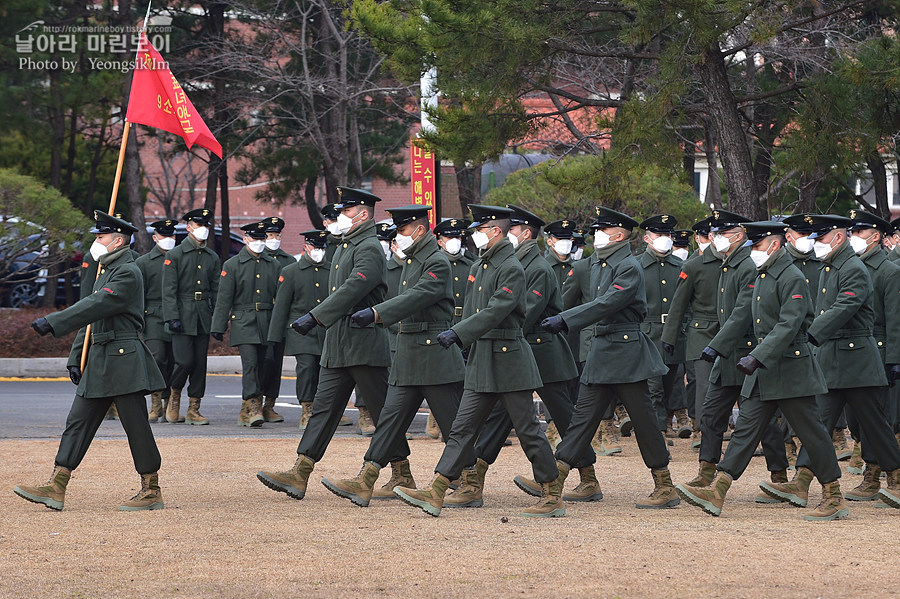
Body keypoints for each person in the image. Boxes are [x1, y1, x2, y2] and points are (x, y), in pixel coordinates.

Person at [393, 204, 563, 518]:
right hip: (484, 357)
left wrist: (458, 333)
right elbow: (472, 308)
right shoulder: (484, 264)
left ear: (495, 231)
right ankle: (438, 489)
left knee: (528, 430)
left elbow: (496, 310)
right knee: (462, 428)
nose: (475, 236)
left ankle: (551, 492)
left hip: (509, 359)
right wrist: (462, 337)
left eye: (479, 230)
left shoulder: (511, 267)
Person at [676, 221, 847, 520]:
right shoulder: (763, 274)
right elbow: (742, 313)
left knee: (813, 435)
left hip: (792, 371)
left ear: (774, 244)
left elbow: (790, 324)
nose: (752, 251)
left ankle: (834, 494)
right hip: (765, 370)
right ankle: (718, 490)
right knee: (744, 432)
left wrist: (757, 356)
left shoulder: (790, 276)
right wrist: (717, 346)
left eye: (756, 246)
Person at [17, 211, 165, 511]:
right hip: (99, 357)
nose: (95, 241)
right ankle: (57, 485)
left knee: (136, 426)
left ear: (119, 240)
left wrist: (54, 321)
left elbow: (96, 304)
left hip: (123, 359)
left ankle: (151, 489)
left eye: (101, 236)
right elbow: (92, 318)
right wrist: (76, 355)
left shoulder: (127, 272)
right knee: (78, 422)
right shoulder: (104, 269)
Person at [320, 205, 465, 506]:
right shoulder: (412, 260)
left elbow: (418, 296)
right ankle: (366, 479)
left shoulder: (435, 261)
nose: (398, 236)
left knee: (453, 425)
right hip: (409, 354)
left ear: (420, 230)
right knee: (389, 421)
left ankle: (468, 480)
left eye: (403, 230)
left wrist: (375, 313)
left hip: (433, 355)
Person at [456, 206, 597, 508]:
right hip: (515, 353)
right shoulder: (516, 262)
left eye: (512, 230)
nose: (508, 235)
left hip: (542, 353)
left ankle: (587, 476)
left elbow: (525, 315)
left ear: (525, 234)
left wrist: (489, 335)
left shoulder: (536, 268)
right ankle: (476, 477)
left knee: (564, 416)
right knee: (498, 417)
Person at [539, 206, 679, 509]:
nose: (596, 235)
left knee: (644, 423)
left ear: (617, 235)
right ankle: (555, 485)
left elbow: (607, 303)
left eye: (601, 230)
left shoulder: (628, 265)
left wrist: (565, 320)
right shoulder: (603, 264)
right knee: (582, 421)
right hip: (604, 352)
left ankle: (665, 485)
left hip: (626, 355)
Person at [256, 187, 391, 500]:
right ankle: (300, 471)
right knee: (324, 410)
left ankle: (400, 473)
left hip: (363, 343)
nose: (340, 216)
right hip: (339, 342)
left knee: (384, 413)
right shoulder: (345, 245)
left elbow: (354, 288)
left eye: (346, 210)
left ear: (363, 214)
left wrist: (315, 317)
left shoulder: (368, 246)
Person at [763, 214, 900, 510]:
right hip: (831, 360)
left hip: (858, 361)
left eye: (821, 238)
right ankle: (801, 481)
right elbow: (820, 307)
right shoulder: (831, 267)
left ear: (837, 238)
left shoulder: (853, 268)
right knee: (818, 424)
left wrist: (812, 334)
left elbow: (845, 306)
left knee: (874, 425)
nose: (816, 244)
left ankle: (896, 478)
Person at [684, 210, 789, 497]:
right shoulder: (728, 263)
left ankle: (779, 475)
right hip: (726, 354)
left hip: (747, 354)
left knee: (761, 421)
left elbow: (742, 313)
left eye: (721, 233)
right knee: (711, 414)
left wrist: (715, 344)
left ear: (739, 235)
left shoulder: (748, 265)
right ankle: (706, 470)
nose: (715, 239)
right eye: (713, 233)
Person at [838, 210, 900, 501]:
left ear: (875, 236)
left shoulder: (889, 271)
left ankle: (877, 476)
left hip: (878, 352)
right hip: (852, 354)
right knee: (856, 421)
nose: (853, 238)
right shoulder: (849, 266)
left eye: (859, 233)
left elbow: (894, 320)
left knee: (876, 419)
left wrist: (893, 359)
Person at [210, 221, 280, 426]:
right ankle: (252, 405)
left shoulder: (273, 265)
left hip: (266, 321)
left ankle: (249, 405)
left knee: (267, 362)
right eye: (254, 239)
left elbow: (279, 297)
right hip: (243, 321)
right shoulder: (232, 265)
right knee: (250, 363)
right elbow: (224, 298)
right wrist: (218, 326)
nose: (258, 242)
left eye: (261, 239)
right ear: (245, 239)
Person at [268, 229, 331, 431]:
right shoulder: (291, 272)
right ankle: (307, 408)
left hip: (325, 328)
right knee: (306, 368)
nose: (318, 251)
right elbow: (281, 307)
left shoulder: (332, 270)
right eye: (315, 247)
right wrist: (274, 337)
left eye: (322, 247)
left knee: (325, 370)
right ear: (306, 247)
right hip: (301, 329)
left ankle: (325, 410)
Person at [161, 208, 220, 424]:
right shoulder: (175, 255)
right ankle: (174, 394)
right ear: (188, 227)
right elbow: (168, 290)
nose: (203, 229)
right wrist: (171, 317)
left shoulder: (212, 257)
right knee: (184, 361)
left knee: (199, 364)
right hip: (182, 314)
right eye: (198, 225)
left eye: (206, 225)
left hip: (202, 315)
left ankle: (195, 407)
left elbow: (216, 290)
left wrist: (216, 316)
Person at [638, 214, 691, 438]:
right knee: (653, 388)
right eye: (660, 234)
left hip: (674, 335)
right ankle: (656, 432)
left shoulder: (681, 266)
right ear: (647, 238)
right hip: (648, 334)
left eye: (668, 234)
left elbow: (688, 302)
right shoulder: (637, 266)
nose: (665, 239)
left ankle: (667, 423)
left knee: (672, 383)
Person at [428, 217, 474, 439]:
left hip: (466, 324)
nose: (455, 241)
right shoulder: (434, 263)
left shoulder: (473, 264)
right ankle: (436, 415)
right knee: (441, 372)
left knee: (466, 374)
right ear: (439, 240)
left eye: (458, 237)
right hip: (443, 324)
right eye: (450, 237)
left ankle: (465, 421)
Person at [135, 218, 177, 422]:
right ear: (154, 238)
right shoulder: (143, 262)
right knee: (157, 358)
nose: (168, 239)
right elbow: (137, 293)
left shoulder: (179, 259)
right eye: (164, 235)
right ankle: (156, 400)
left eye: (171, 235)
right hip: (153, 316)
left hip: (177, 315)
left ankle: (170, 401)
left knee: (175, 360)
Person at [260, 216, 296, 424]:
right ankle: (253, 401)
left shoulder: (288, 261)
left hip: (280, 319)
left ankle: (269, 404)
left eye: (276, 235)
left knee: (275, 363)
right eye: (269, 235)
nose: (273, 239)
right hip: (260, 318)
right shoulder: (258, 257)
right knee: (259, 362)